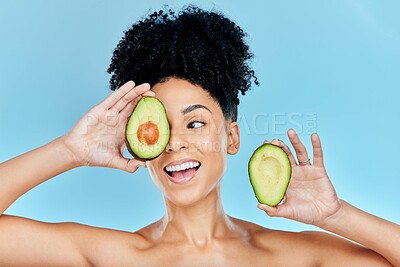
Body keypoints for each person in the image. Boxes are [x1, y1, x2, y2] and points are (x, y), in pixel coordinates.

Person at [0, 6, 399, 266]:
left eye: (195, 123)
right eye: (159, 128)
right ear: (142, 143)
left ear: (232, 137)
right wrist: (70, 151)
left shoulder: (292, 256)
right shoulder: (114, 257)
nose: (175, 144)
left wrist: (336, 216)